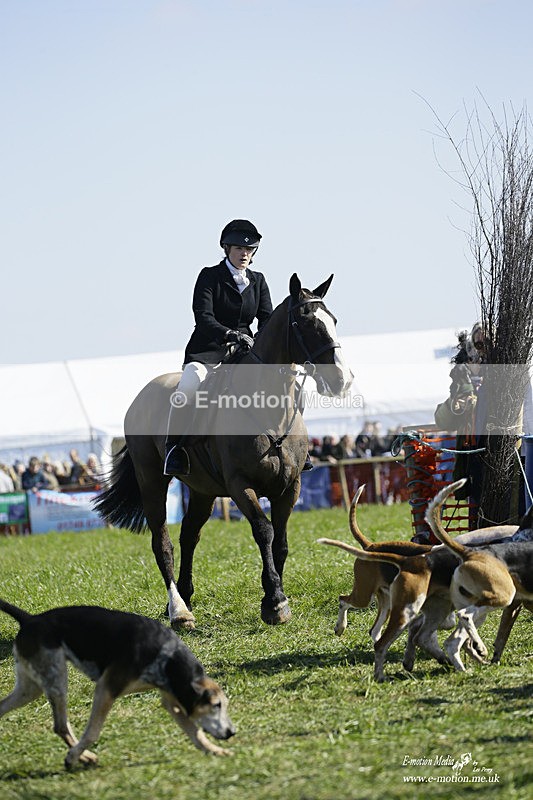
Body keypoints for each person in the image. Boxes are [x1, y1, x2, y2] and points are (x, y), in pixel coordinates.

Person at [164, 219, 314, 476]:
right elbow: (203, 316)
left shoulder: (258, 280)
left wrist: (260, 341)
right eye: (238, 249)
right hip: (209, 349)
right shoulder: (209, 276)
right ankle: (175, 449)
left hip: (247, 352)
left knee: (293, 386)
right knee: (189, 384)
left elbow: (266, 317)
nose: (244, 254)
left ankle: (297, 446)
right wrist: (230, 334)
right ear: (226, 248)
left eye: (249, 250)